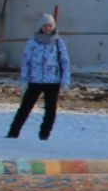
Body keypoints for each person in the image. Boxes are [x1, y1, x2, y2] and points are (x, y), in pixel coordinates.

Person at [6, 13, 71, 141]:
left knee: (50, 109)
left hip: (53, 81)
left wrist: (65, 80)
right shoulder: (33, 42)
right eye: (45, 26)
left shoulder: (58, 42)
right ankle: (13, 132)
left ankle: (44, 134)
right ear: (40, 27)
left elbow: (65, 61)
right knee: (25, 107)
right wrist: (24, 79)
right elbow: (26, 61)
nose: (48, 28)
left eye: (50, 26)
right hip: (35, 80)